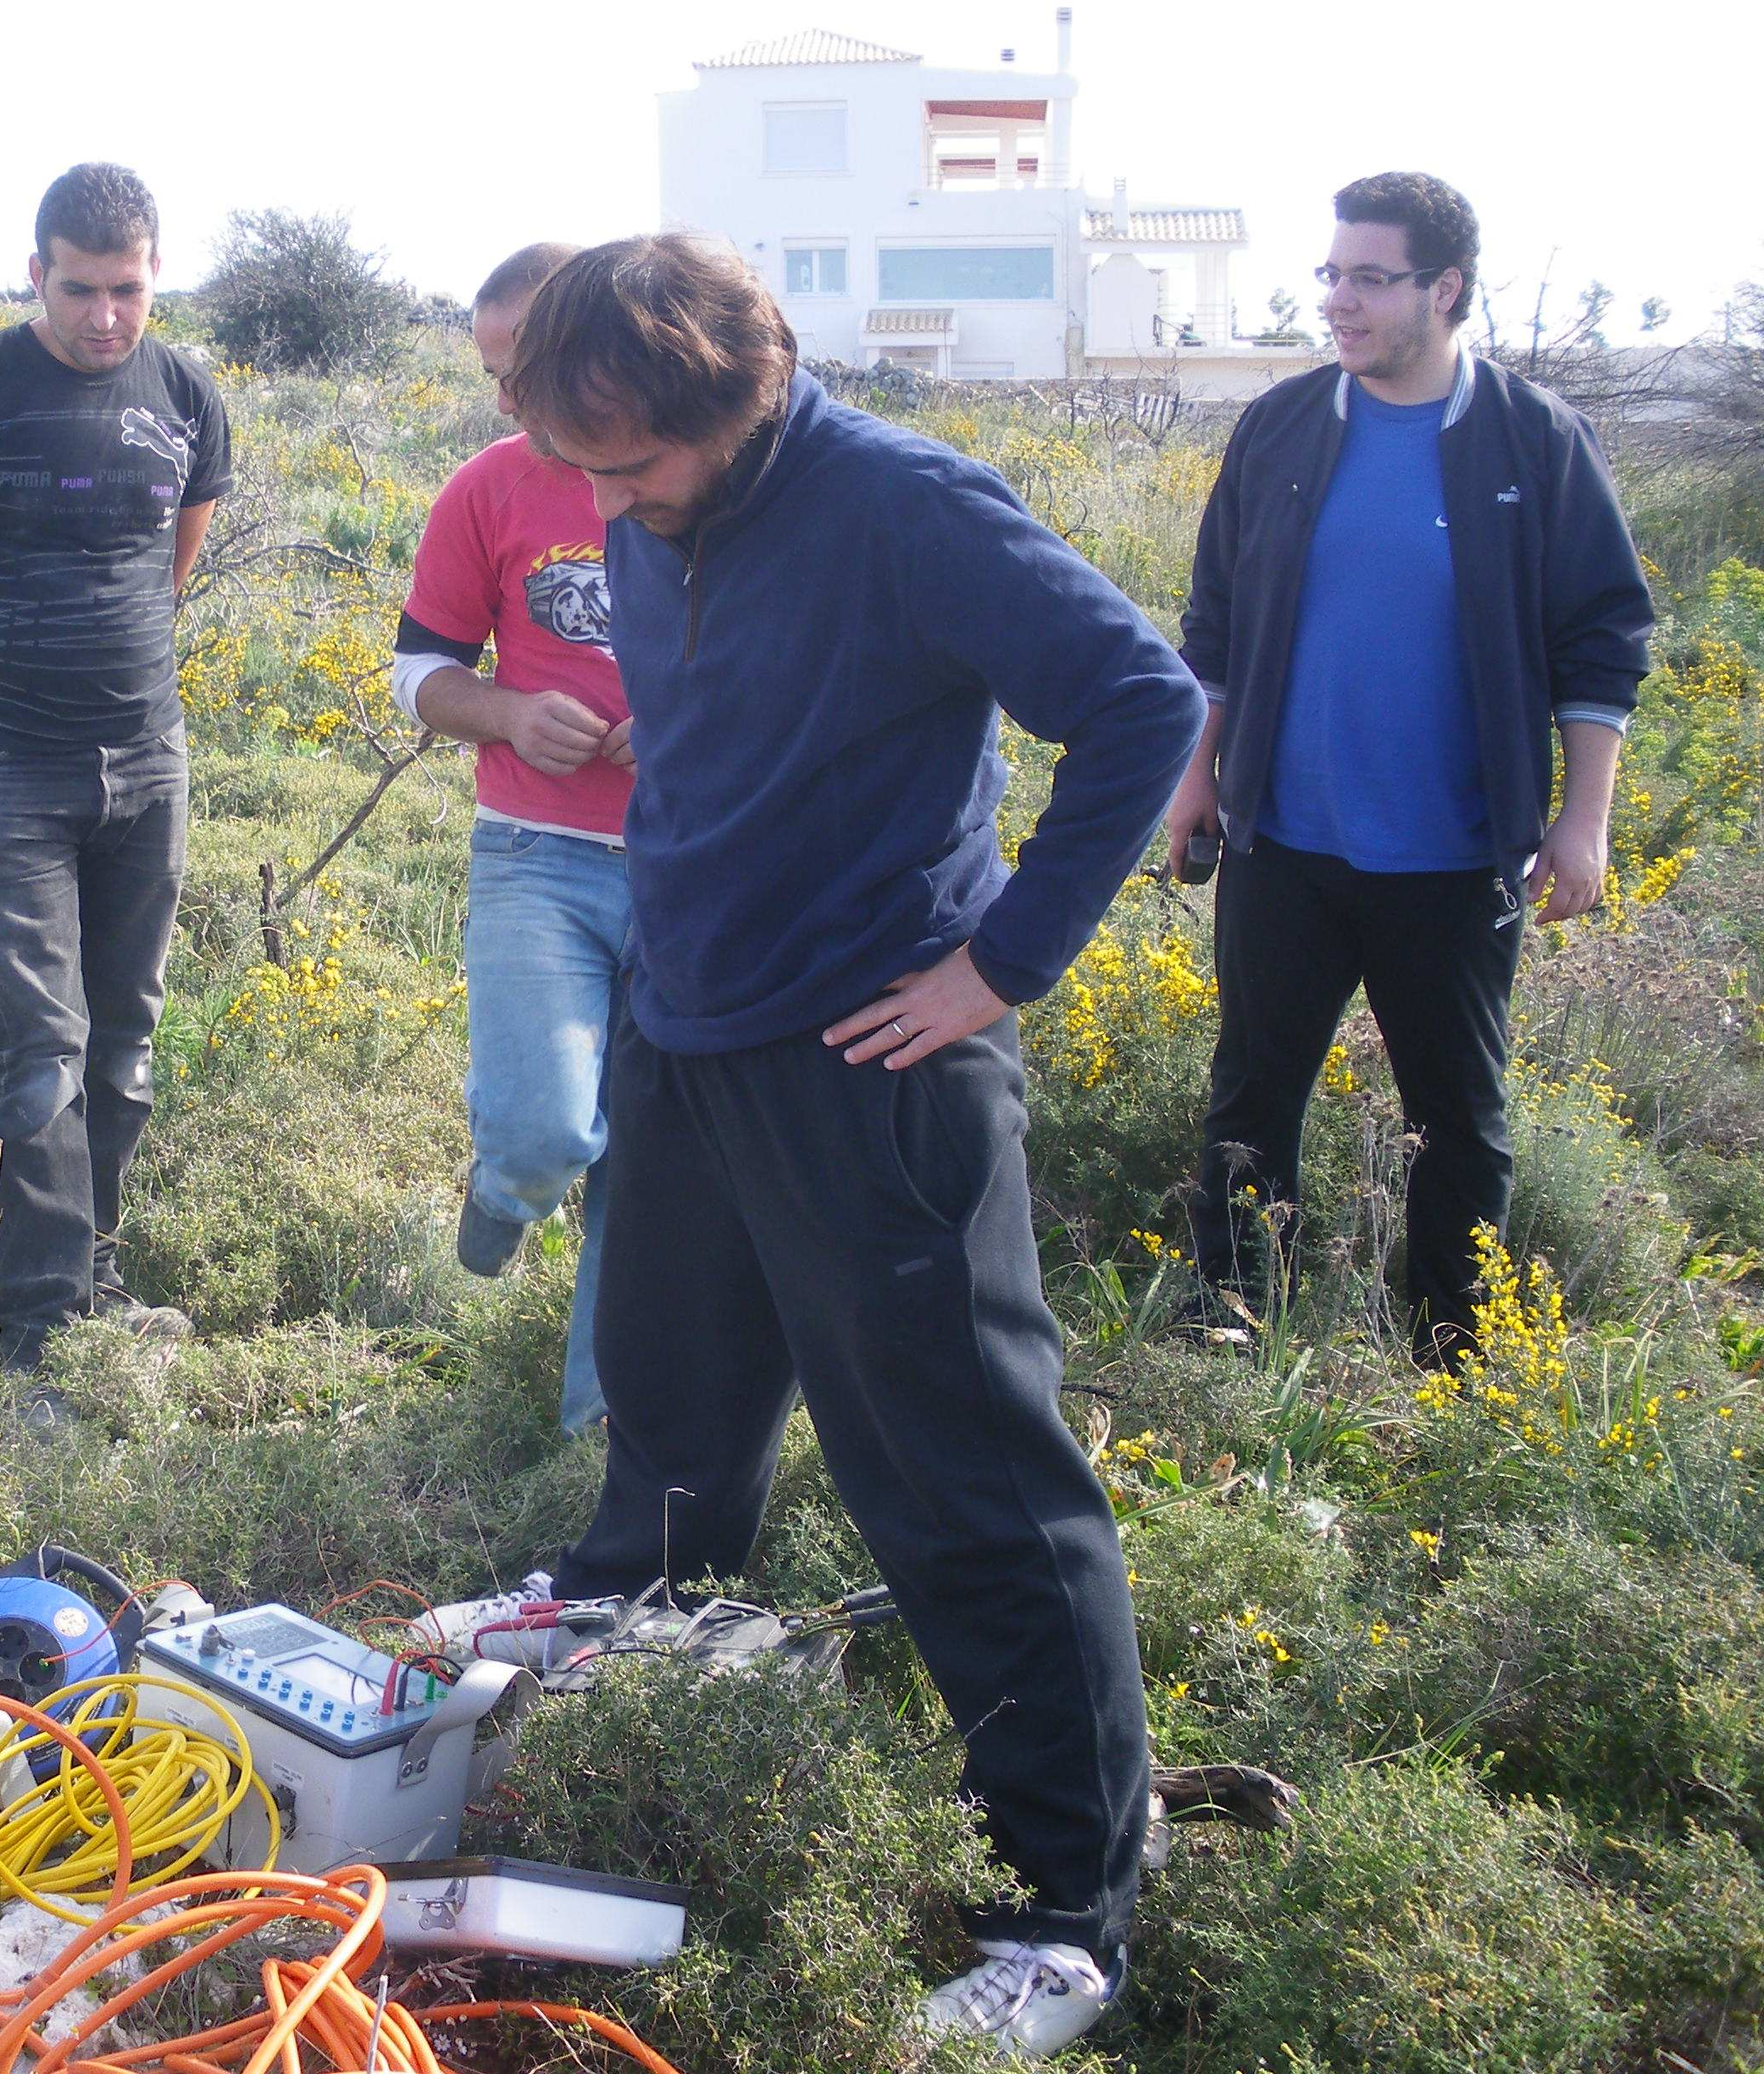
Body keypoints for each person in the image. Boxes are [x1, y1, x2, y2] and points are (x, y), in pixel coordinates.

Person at [506, 234, 1204, 2057]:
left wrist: (998, 965)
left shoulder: (909, 508)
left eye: (632, 462)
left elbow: (1143, 702)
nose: (605, 499)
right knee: (670, 1397)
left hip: (874, 1058)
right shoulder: (651, 502)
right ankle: (618, 1634)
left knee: (959, 1475)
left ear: (738, 398)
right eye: (581, 463)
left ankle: (1070, 1910)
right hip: (691, 1023)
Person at [1169, 172, 1655, 1361]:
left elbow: (1603, 638)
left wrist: (1582, 824)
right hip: (1282, 843)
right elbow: (1216, 625)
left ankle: (1454, 1355)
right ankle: (1232, 1324)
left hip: (1451, 859)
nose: (1338, 300)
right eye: (1331, 274)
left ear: (1444, 289)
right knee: (1249, 1100)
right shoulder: (1280, 426)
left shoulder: (1535, 442)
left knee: (1459, 1124)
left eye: (1369, 279)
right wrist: (1196, 778)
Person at [0, 163, 232, 1375]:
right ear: (36, 273)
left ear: (154, 275)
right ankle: (35, 1333)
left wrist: (113, 702)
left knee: (124, 1039)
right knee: (37, 1046)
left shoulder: (186, 394)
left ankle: (96, 1273)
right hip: (0, 772)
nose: (104, 317)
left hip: (145, 759)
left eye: (126, 290)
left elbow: (165, 562)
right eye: (79, 289)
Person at [392, 241, 630, 1433]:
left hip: (702, 870)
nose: (503, 402)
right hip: (540, 857)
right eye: (492, 373)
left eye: (522, 368)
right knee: (547, 1128)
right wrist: (508, 713)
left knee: (652, 1184)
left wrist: (692, 730)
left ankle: (601, 1447)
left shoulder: (700, 477)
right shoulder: (487, 488)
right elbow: (417, 672)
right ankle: (507, 1182)